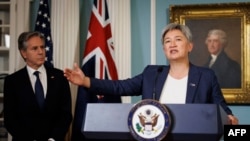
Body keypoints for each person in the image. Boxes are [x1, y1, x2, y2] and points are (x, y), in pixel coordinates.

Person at [64, 23, 238, 125]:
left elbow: (223, 109)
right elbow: (120, 86)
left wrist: (232, 124)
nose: (172, 44)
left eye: (178, 39)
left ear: (190, 46)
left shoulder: (206, 76)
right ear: (164, 49)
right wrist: (85, 80)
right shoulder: (152, 74)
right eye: (167, 42)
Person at [3, 31, 72, 141]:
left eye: (42, 47)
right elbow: (10, 119)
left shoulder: (59, 77)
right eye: (35, 48)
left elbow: (65, 114)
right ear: (23, 53)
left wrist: (53, 139)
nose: (41, 52)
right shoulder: (12, 81)